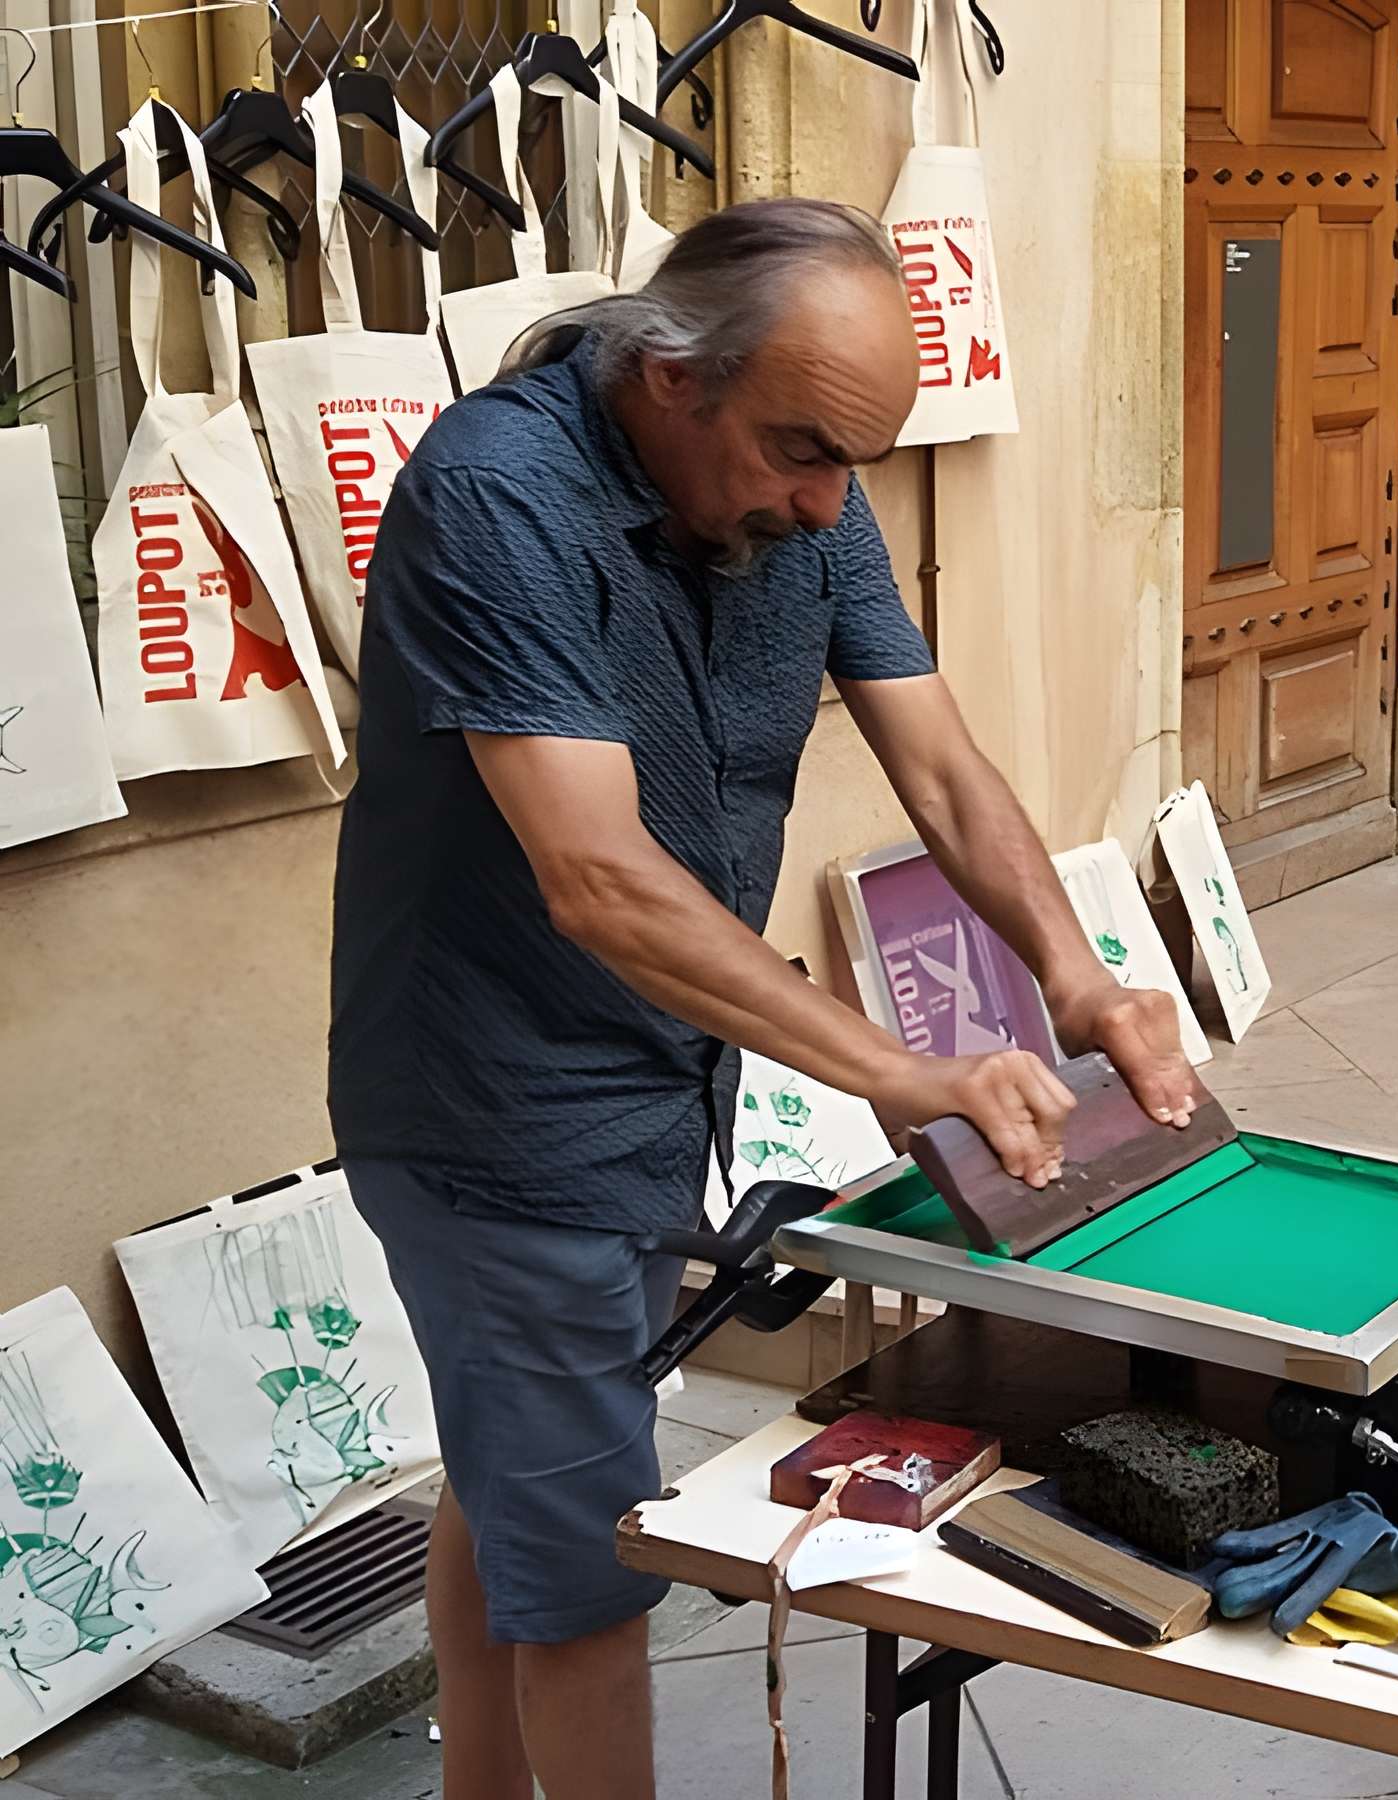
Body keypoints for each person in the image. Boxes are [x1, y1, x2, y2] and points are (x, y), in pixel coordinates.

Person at [328, 200, 1199, 1800]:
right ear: (673, 381)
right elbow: (594, 876)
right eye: (800, 449)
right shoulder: (498, 494)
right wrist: (899, 1067)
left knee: (514, 1464)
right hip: (494, 1104)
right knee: (594, 1569)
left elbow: (936, 760)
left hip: (655, 1076)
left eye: (851, 461)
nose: (825, 501)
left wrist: (1086, 977)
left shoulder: (808, 492)